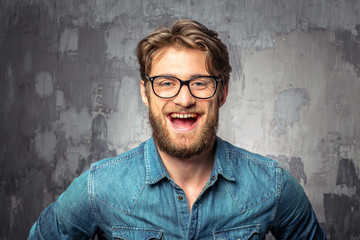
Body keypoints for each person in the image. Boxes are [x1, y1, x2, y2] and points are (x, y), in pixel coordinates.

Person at [28, 19, 326, 240]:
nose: (184, 99)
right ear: (145, 92)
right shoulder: (99, 187)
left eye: (200, 82)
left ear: (222, 92)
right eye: (167, 83)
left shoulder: (271, 185)